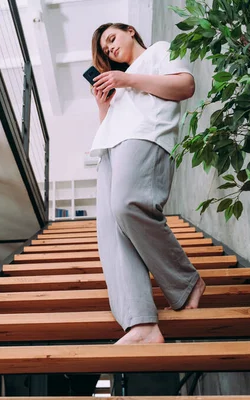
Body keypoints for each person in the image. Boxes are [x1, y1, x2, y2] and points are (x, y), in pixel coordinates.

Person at [89, 23, 206, 345]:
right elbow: (111, 125)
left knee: (128, 206)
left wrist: (126, 79)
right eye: (105, 49)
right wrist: (103, 103)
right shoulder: (120, 84)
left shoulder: (159, 50)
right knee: (114, 233)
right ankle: (141, 323)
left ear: (129, 31)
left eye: (112, 39)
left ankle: (186, 281)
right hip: (112, 148)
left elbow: (184, 86)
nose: (110, 49)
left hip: (145, 137)